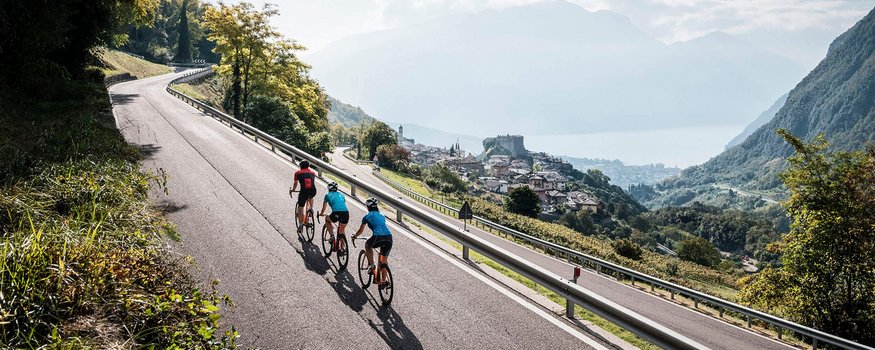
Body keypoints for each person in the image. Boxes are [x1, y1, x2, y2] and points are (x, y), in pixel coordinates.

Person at [352, 197, 393, 288]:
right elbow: (380, 226)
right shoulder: (382, 215)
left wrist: (355, 236)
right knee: (383, 260)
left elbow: (360, 230)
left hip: (377, 237)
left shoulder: (367, 216)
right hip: (389, 238)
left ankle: (372, 265)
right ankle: (384, 280)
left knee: (367, 245)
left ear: (368, 207)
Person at [318, 182, 349, 251]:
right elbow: (341, 204)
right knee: (342, 229)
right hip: (346, 213)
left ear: (329, 189)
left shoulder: (327, 195)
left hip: (336, 213)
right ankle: (342, 248)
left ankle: (332, 236)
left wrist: (321, 213)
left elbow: (324, 207)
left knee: (327, 219)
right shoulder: (342, 194)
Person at [291, 160, 317, 233]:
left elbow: (295, 183)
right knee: (311, 197)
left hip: (304, 191)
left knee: (301, 208)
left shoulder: (297, 173)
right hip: (313, 191)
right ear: (308, 166)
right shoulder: (313, 173)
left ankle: (301, 224)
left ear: (300, 166)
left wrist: (293, 190)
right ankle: (311, 209)